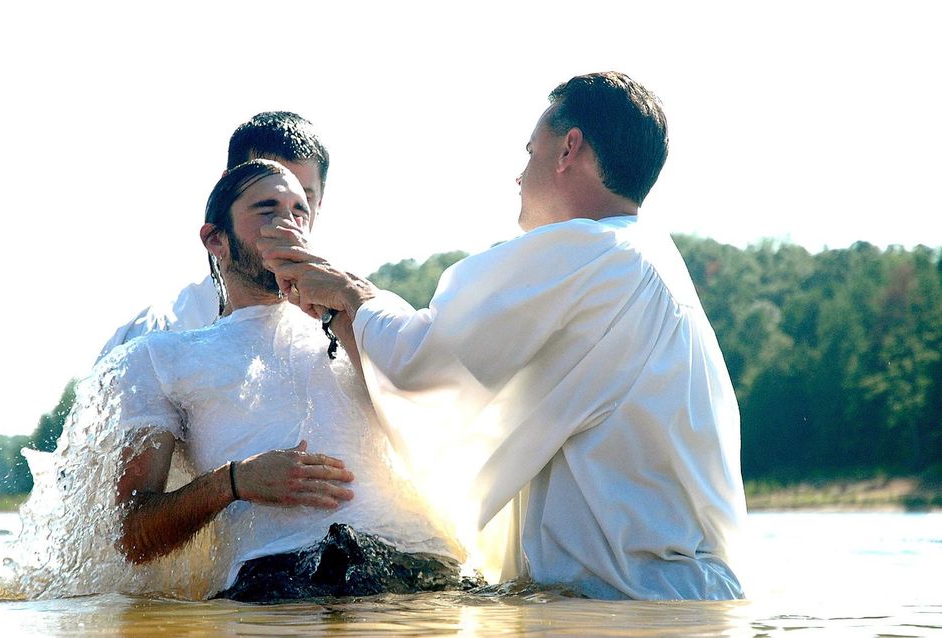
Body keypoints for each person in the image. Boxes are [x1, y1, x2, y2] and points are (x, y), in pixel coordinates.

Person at [261, 72, 748, 600]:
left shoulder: (595, 252)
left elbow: (428, 362)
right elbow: (457, 390)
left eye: (529, 151)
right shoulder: (648, 259)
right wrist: (342, 313)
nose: (519, 175)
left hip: (627, 605)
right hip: (678, 601)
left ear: (568, 149)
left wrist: (351, 293)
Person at [107, 159, 466, 603]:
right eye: (267, 209)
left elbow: (444, 425)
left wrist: (343, 306)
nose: (289, 223)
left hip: (421, 570)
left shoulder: (361, 317)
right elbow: (133, 536)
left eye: (299, 211)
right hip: (279, 581)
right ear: (215, 239)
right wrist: (234, 482)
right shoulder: (160, 357)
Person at [97, 111, 330, 361]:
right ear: (226, 190)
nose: (284, 222)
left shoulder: (353, 329)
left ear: (318, 205)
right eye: (266, 202)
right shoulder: (152, 337)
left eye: (301, 201)